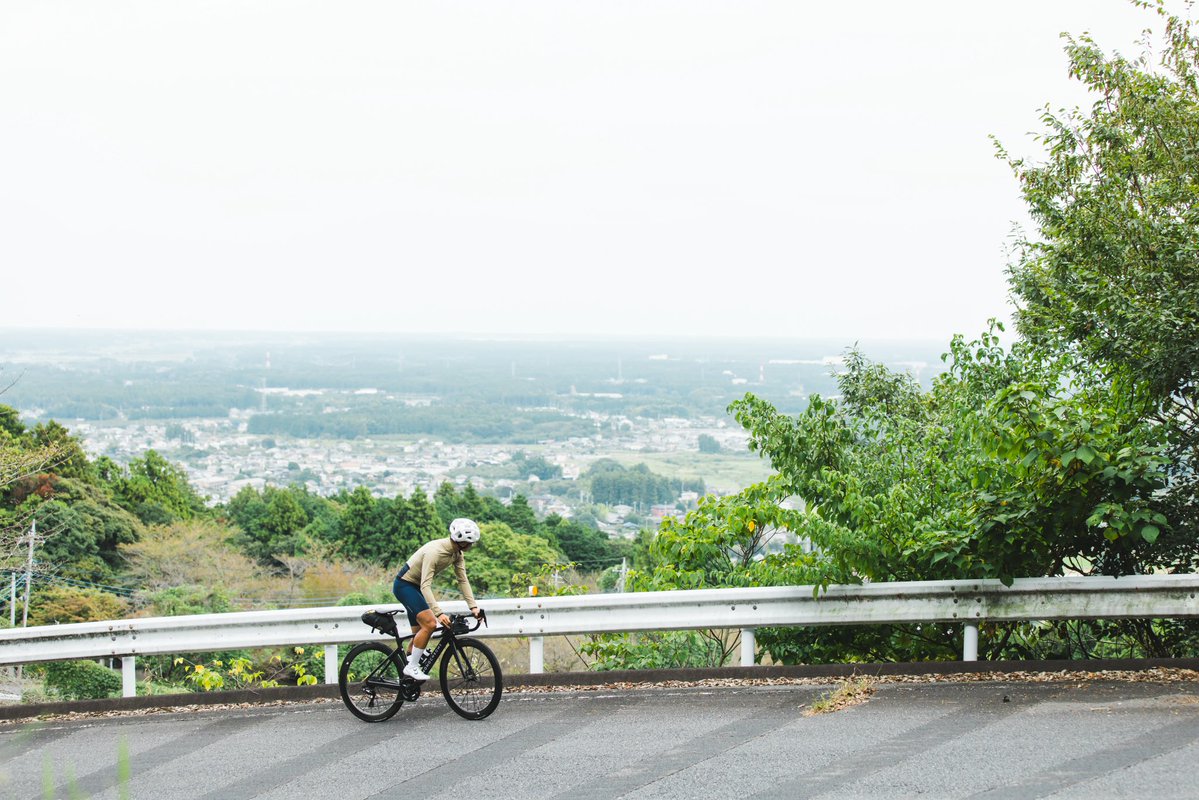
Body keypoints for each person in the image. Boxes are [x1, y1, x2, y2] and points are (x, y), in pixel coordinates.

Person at [392, 517, 483, 680]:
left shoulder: (457, 553)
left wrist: (473, 607)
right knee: (431, 624)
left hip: (415, 587)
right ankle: (411, 667)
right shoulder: (435, 552)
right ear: (462, 542)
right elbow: (425, 586)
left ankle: (407, 676)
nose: (472, 546)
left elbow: (463, 580)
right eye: (471, 543)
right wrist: (439, 614)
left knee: (420, 634)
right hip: (405, 586)